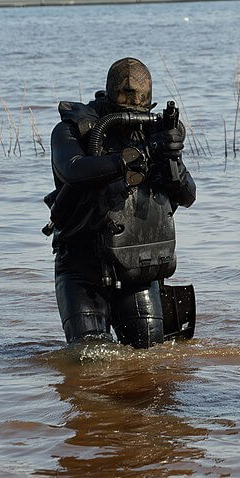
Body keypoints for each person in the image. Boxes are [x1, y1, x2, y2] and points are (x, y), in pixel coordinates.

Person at [46, 57, 197, 348]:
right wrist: (137, 154)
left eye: (139, 112)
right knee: (89, 356)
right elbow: (73, 170)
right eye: (124, 112)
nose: (132, 120)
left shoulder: (153, 132)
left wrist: (172, 161)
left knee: (151, 361)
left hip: (138, 268)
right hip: (82, 269)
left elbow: (188, 195)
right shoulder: (72, 131)